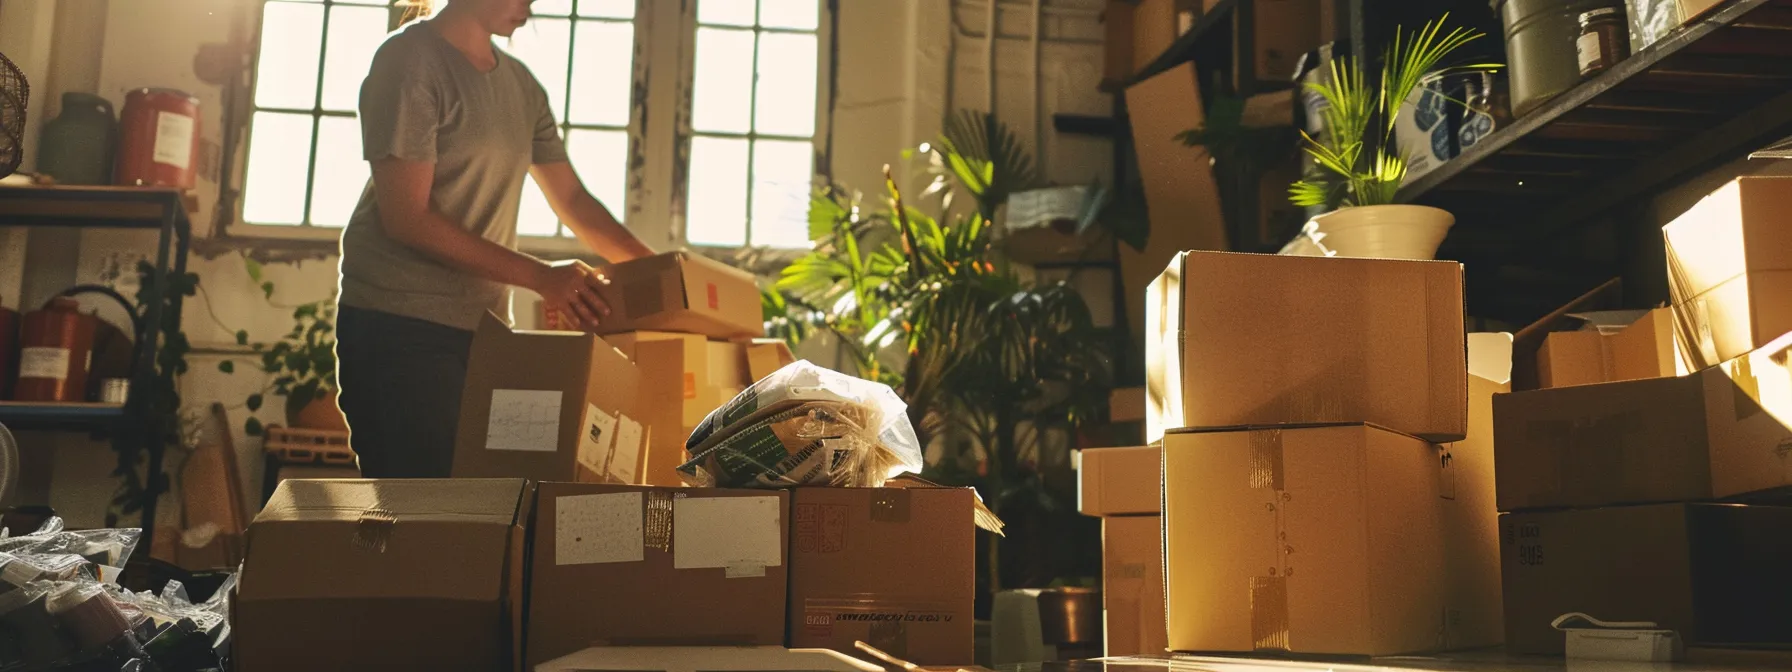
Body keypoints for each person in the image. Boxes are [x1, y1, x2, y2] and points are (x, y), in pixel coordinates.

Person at [334, 0, 653, 478]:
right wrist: (542, 278)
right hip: (399, 329)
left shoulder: (522, 87)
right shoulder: (408, 62)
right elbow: (407, 218)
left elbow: (571, 199)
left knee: (483, 511)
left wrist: (666, 277)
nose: (531, 5)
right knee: (424, 514)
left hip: (483, 336)